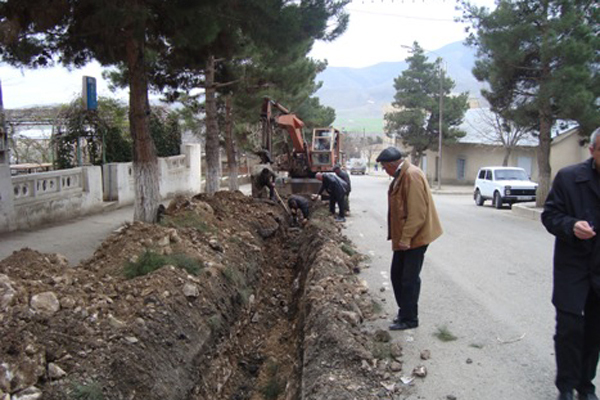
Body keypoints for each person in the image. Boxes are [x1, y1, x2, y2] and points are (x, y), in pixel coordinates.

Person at [541, 127, 600, 400]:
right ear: (592, 151)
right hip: (572, 268)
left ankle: (585, 386)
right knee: (569, 329)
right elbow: (550, 215)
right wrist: (571, 225)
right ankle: (566, 385)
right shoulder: (569, 178)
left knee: (594, 332)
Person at [376, 147, 442, 331]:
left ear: (391, 164)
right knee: (397, 275)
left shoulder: (411, 176)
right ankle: (404, 312)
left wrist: (406, 238)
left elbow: (417, 213)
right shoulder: (402, 175)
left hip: (415, 237)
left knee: (409, 279)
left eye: (383, 167)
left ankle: (410, 319)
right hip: (406, 237)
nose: (384, 171)